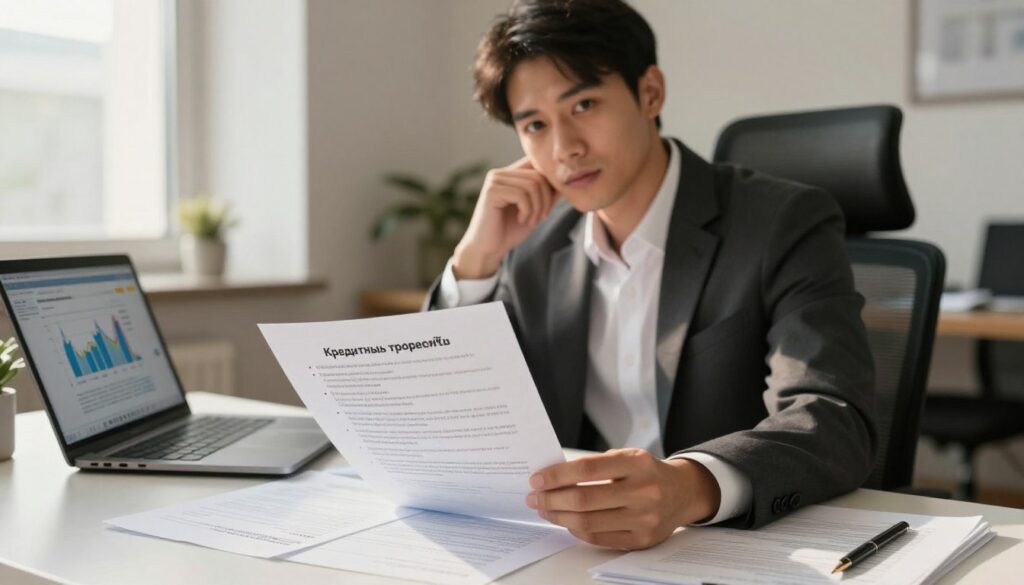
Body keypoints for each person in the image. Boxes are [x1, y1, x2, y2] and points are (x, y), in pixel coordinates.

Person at [425, 0, 875, 550]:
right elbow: (446, 416)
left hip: (733, 546)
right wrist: (474, 261)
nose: (565, 149)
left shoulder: (782, 222)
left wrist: (690, 487)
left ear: (651, 93)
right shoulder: (533, 246)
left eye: (584, 104)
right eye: (535, 125)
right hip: (579, 550)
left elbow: (830, 417)